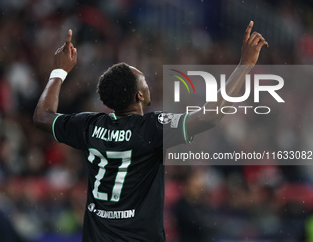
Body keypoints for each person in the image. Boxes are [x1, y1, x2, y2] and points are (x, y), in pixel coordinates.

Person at [33, 21, 268, 242]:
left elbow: (42, 116)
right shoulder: (152, 129)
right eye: (143, 80)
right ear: (139, 96)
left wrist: (59, 72)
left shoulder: (90, 125)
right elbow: (211, 115)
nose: (149, 84)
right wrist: (244, 65)